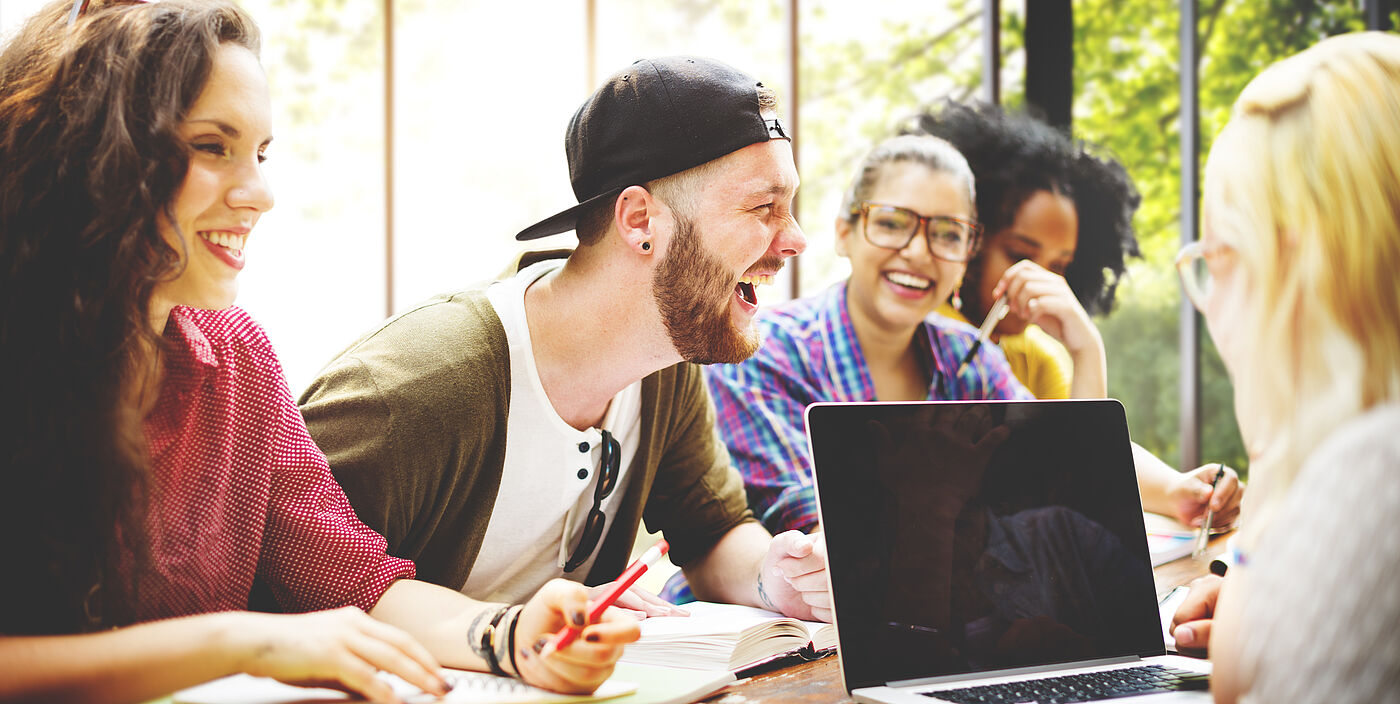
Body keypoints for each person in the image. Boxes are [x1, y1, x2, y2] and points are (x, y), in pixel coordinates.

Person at [0, 2, 634, 700]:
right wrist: (238, 639)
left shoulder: (237, 360)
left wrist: (511, 637)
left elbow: (358, 582)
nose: (261, 194)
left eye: (262, 154)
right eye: (214, 147)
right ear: (94, 153)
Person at [297, 56, 832, 632]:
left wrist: (772, 579)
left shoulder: (667, 363)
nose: (796, 239)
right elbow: (294, 590)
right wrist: (516, 628)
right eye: (762, 207)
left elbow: (713, 533)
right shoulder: (418, 386)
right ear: (639, 220)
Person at [704, 134, 1241, 544]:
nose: (919, 251)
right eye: (892, 223)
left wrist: (1176, 490)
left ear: (967, 252)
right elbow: (830, 538)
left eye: (947, 233)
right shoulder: (766, 353)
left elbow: (1065, 464)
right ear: (844, 231)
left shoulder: (969, 359)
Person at [1166, 31, 1400, 702]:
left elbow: (1231, 688)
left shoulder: (1371, 479)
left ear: (1294, 269)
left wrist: (1273, 440)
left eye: (1218, 258)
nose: (1212, 306)